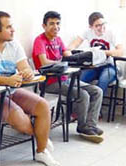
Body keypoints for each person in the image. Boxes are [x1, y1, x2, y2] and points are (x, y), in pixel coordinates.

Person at [0, 11, 59, 166]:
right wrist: (7, 80)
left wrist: (27, 73)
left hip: (12, 90)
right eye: (9, 27)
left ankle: (41, 151)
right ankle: (41, 138)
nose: (13, 30)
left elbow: (25, 67)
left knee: (43, 105)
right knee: (18, 114)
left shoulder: (14, 45)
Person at [32, 11, 104, 143]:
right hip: (49, 83)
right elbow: (44, 62)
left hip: (65, 79)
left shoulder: (58, 40)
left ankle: (90, 125)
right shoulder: (39, 40)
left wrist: (76, 57)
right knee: (83, 95)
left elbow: (68, 55)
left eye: (58, 23)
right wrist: (62, 62)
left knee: (97, 91)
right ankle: (82, 127)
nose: (56, 27)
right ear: (44, 25)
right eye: (52, 23)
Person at [68, 11, 123, 95]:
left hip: (109, 66)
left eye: (103, 24)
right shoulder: (87, 32)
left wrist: (102, 52)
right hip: (93, 66)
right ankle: (82, 104)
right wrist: (71, 52)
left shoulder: (111, 33)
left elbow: (120, 52)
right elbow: (73, 45)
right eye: (97, 26)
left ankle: (96, 107)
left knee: (103, 80)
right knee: (79, 80)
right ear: (91, 27)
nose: (102, 28)